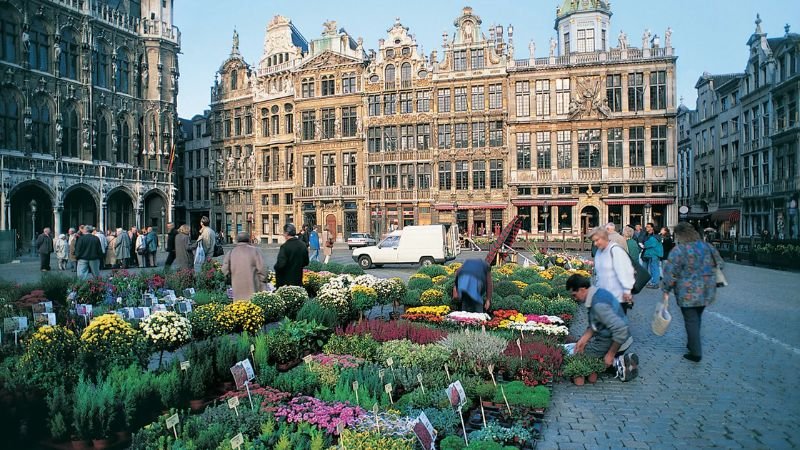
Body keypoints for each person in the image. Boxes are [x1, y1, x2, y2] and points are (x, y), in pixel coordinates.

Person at [662, 222, 721, 363]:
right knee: (696, 317)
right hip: (706, 289)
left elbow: (671, 272)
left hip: (687, 291)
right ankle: (692, 343)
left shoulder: (679, 250)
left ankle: (695, 351)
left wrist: (666, 289)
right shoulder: (707, 247)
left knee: (691, 319)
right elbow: (720, 263)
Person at [566, 274, 639, 381]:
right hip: (609, 337)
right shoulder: (597, 293)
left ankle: (617, 363)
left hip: (616, 339)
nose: (574, 299)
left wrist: (610, 354)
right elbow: (597, 322)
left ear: (582, 290)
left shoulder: (598, 304)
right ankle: (615, 361)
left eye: (574, 295)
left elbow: (621, 330)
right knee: (583, 350)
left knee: (578, 358)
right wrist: (584, 339)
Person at [588, 227, 635, 312]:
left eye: (596, 240)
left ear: (604, 238)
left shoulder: (616, 250)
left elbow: (625, 271)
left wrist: (627, 291)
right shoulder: (599, 252)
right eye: (593, 241)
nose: (595, 244)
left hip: (617, 298)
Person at [222, 232, 266, 300]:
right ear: (249, 239)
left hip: (237, 289)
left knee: (239, 307)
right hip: (253, 288)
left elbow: (224, 271)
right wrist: (262, 282)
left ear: (237, 240)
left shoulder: (231, 253)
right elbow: (262, 270)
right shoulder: (255, 251)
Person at [274, 223, 309, 287]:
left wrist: (276, 267)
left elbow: (281, 264)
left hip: (286, 281)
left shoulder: (285, 247)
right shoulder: (303, 245)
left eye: (284, 233)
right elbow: (306, 262)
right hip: (298, 279)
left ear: (286, 233)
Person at [642, 223, 664, 288]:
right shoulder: (657, 237)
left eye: (648, 227)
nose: (646, 228)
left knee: (654, 269)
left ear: (653, 229)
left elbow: (646, 244)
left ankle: (655, 283)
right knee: (654, 269)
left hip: (653, 254)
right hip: (655, 254)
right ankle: (654, 282)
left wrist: (645, 244)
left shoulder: (653, 238)